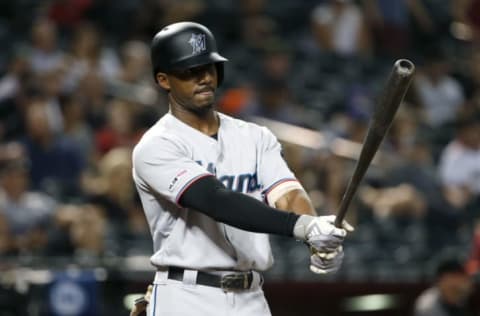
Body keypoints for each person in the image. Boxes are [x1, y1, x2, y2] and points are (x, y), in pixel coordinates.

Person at [131, 22, 353, 316]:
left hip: (252, 298)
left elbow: (288, 195)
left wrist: (316, 239)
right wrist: (303, 227)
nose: (204, 77)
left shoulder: (255, 136)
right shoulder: (157, 145)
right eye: (189, 71)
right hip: (187, 295)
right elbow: (216, 200)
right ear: (164, 79)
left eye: (209, 67)